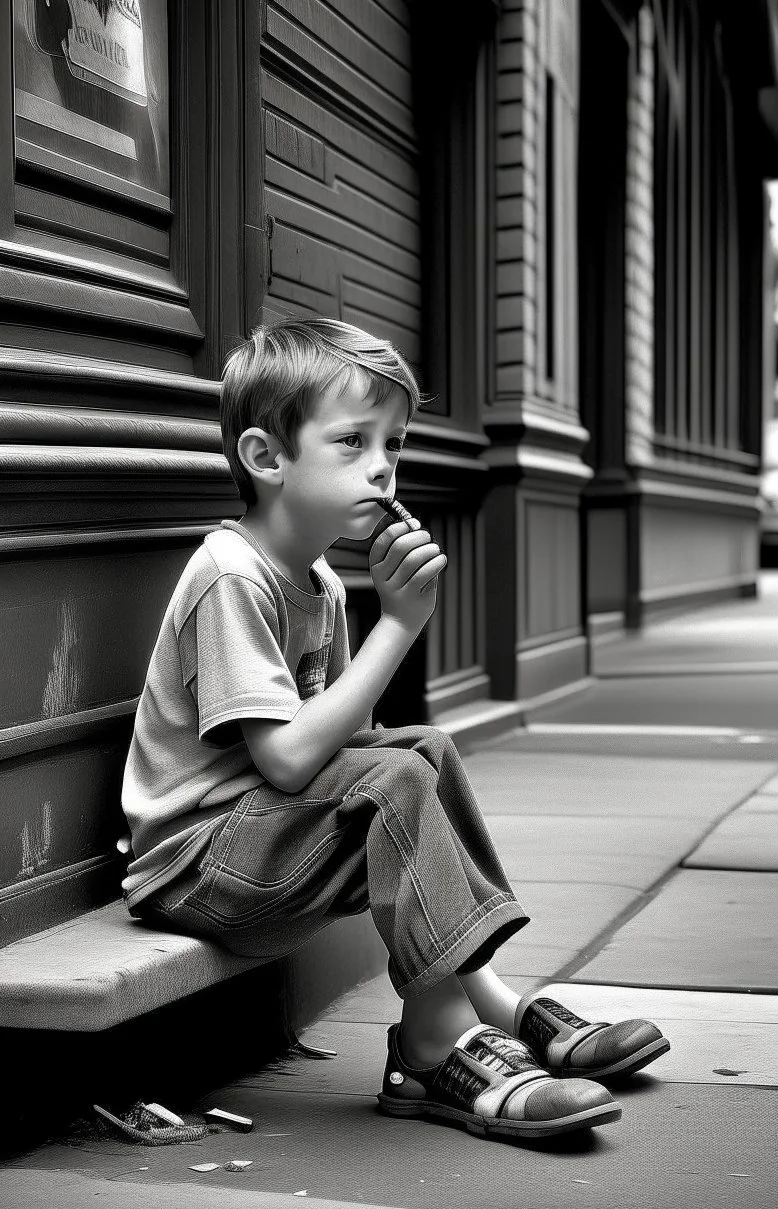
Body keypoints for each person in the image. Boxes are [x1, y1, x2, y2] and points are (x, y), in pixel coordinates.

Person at [120, 317, 669, 1143]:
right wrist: (400, 628)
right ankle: (433, 1043)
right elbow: (293, 759)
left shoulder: (322, 584)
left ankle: (492, 1004)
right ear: (267, 460)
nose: (381, 465)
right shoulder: (229, 575)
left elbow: (355, 746)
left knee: (425, 751)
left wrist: (383, 617)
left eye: (394, 444)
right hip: (196, 865)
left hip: (266, 842)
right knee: (398, 775)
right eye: (351, 441)